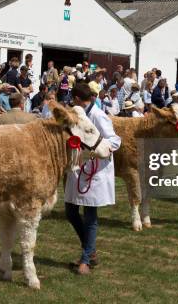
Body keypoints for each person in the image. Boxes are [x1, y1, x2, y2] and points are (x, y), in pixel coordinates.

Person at [65, 83, 120, 275]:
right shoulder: (78, 115)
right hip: (79, 168)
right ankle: (91, 250)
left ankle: (86, 259)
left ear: (78, 100)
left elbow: (114, 140)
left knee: (90, 216)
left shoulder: (98, 115)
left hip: (94, 170)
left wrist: (95, 151)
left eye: (73, 100)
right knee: (70, 211)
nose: (72, 103)